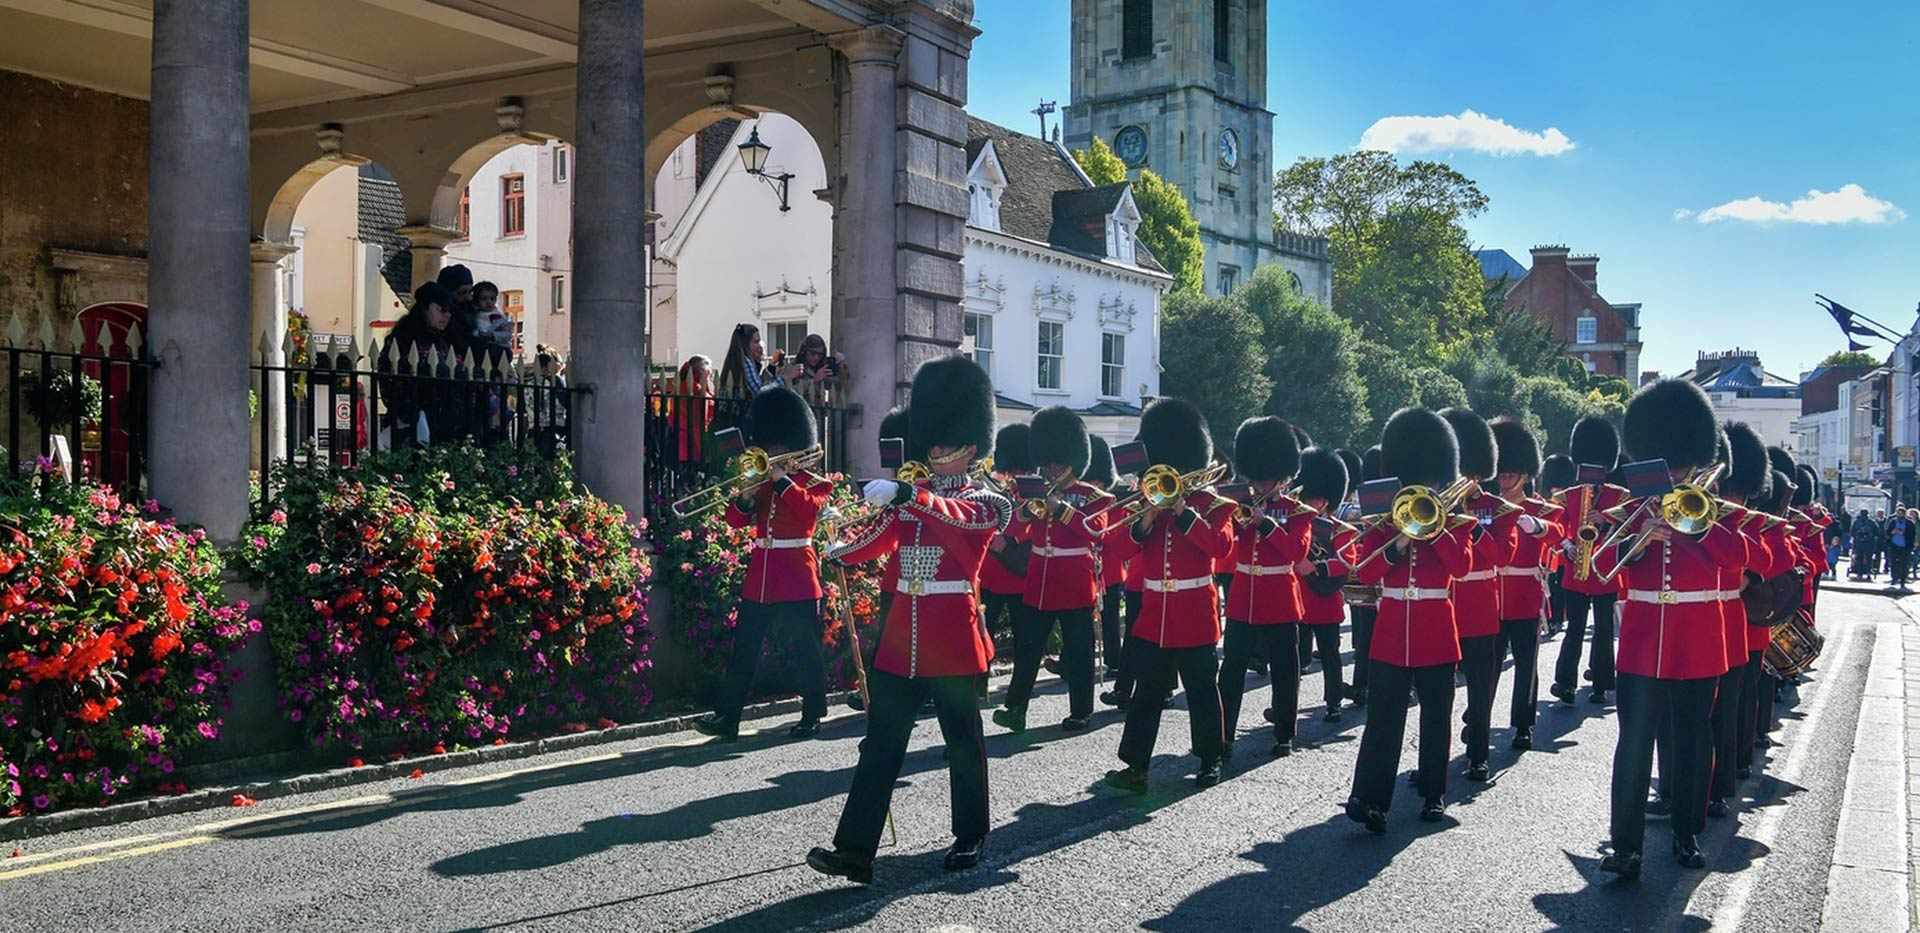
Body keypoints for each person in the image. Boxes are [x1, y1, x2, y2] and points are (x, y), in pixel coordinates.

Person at [807, 355, 1008, 884]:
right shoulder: (911, 501)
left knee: (961, 742)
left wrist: (909, 495)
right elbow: (876, 541)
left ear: (970, 445)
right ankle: (854, 850)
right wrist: (837, 548)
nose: (935, 451)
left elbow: (957, 517)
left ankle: (971, 835)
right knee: (881, 743)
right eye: (932, 442)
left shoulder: (986, 502)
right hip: (902, 640)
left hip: (953, 640)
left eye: (945, 444)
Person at [1595, 379, 1743, 880]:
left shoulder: (1716, 511)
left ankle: (1686, 833)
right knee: (1633, 744)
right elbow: (1599, 567)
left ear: (1694, 461)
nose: (1673, 474)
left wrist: (1694, 528)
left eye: (1679, 465)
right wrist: (1638, 537)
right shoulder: (1633, 508)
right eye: (1665, 464)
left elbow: (1737, 560)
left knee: (1691, 744)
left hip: (1698, 639)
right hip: (1641, 642)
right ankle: (1626, 847)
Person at [1344, 408, 1473, 832]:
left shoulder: (1456, 521)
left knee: (1437, 716)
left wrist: (1435, 532)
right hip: (1392, 628)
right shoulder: (1385, 520)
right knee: (1383, 719)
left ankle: (1435, 794)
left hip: (1436, 627)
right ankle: (1370, 797)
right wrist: (1399, 539)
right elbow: (1364, 573)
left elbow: (1461, 567)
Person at [1102, 398, 1234, 793]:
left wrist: (1183, 512)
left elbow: (1221, 547)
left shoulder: (1213, 505)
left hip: (1195, 613)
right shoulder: (1146, 503)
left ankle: (1210, 757)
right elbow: (1116, 548)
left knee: (1202, 692)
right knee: (1147, 694)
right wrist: (1144, 520)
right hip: (1155, 614)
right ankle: (1136, 766)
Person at [692, 386, 834, 742]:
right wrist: (745, 496)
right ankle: (728, 718)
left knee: (805, 650)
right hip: (761, 575)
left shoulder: (815, 483)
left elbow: (808, 513)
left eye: (777, 448)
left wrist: (782, 479)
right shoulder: (761, 481)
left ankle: (813, 713)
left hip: (797, 574)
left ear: (793, 444)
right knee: (744, 650)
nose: (771, 453)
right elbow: (734, 521)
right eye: (769, 447)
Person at [996, 406, 1112, 733]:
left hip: (1074, 581)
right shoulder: (1036, 492)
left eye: (1057, 463)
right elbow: (1016, 529)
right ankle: (1015, 709)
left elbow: (1095, 531)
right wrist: (1023, 512)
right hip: (1039, 582)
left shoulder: (1093, 496)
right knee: (1028, 650)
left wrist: (1060, 509)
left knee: (1078, 652)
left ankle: (1081, 712)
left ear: (1073, 461)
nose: (1051, 468)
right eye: (1047, 463)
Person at [1215, 417, 1309, 758]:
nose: (1258, 484)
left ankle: (1284, 732)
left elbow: (1297, 552)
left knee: (1285, 669)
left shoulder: (1298, 512)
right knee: (1232, 669)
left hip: (1280, 595)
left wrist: (1265, 524)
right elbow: (1223, 546)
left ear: (1282, 478)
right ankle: (1223, 732)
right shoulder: (1238, 505)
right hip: (1243, 595)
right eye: (1255, 477)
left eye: (1265, 478)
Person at [1442, 408, 1522, 784]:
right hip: (1442, 603)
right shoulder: (1436, 505)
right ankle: (1432, 762)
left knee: (1480, 686)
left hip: (1478, 605)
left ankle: (1477, 754)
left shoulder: (1498, 510)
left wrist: (1473, 529)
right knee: (1437, 692)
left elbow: (1502, 555)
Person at [1703, 421, 1771, 820]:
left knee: (1727, 709)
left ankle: (1720, 784)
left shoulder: (1750, 520)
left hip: (1736, 624)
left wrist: (1749, 574)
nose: (1731, 495)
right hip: (1706, 623)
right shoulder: (1706, 510)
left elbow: (1766, 558)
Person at [1490, 418, 1562, 752]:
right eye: (1501, 474)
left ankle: (1523, 723)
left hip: (1524, 597)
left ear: (1524, 475)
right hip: (1490, 598)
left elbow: (1559, 533)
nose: (1504, 481)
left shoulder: (1539, 509)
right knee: (1487, 664)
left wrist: (1533, 524)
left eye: (1510, 475)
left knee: (1525, 664)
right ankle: (1478, 717)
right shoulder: (1486, 508)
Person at [1551, 417, 1630, 707]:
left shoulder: (1620, 497)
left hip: (1605, 571)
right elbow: (1556, 529)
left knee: (1604, 630)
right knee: (1574, 629)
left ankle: (1601, 681)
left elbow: (1630, 528)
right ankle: (1565, 682)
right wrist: (1567, 545)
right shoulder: (1569, 495)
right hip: (1576, 571)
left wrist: (1606, 519)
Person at [1296, 446, 1359, 724]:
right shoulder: (1295, 525)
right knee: (1293, 661)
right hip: (1298, 600)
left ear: (1324, 501)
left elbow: (1347, 563)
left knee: (1331, 657)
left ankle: (1333, 702)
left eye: (1313, 498)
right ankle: (1287, 707)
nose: (1308, 502)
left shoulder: (1340, 530)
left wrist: (1317, 566)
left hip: (1325, 601)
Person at [379, 282, 465, 447]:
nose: (446, 316)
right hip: (411, 421)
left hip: (445, 421)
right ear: (425, 308)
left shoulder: (448, 341)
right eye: (441, 310)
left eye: (449, 312)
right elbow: (389, 381)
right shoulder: (403, 339)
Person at [980, 423, 1034, 667]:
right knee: (983, 632)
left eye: (1018, 470)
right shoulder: (996, 490)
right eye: (1011, 471)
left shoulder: (1034, 493)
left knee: (1024, 637)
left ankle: (1021, 685)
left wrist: (1008, 543)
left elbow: (1033, 528)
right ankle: (979, 681)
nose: (1014, 475)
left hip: (1019, 576)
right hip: (991, 573)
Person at [1343, 445, 1386, 707]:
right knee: (1365, 635)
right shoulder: (1360, 501)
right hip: (1367, 570)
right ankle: (1361, 684)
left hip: (1389, 576)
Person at [1538, 455, 1578, 640]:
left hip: (1563, 548)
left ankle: (1557, 619)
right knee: (1550, 586)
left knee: (1560, 586)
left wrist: (1567, 543)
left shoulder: (1568, 498)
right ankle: (1551, 618)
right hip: (1549, 548)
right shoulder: (1546, 499)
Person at [674, 354, 715, 465]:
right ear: (704, 371)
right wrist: (703, 450)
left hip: (680, 445)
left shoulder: (680, 387)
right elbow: (699, 422)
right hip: (693, 447)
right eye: (710, 370)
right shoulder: (697, 391)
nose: (711, 374)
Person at [718, 323, 775, 398]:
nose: (759, 346)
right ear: (745, 343)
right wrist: (783, 379)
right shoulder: (745, 362)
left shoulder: (733, 360)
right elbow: (759, 392)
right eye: (756, 342)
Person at [1884, 506, 1916, 589]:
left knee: (1904, 564)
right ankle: (1894, 578)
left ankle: (1902, 580)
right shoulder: (1893, 522)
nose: (1899, 515)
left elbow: (1912, 535)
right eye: (1898, 513)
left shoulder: (1909, 523)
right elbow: (1887, 532)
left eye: (1901, 513)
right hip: (1894, 545)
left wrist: (1903, 533)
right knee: (1893, 563)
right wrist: (1892, 532)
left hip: (1905, 546)